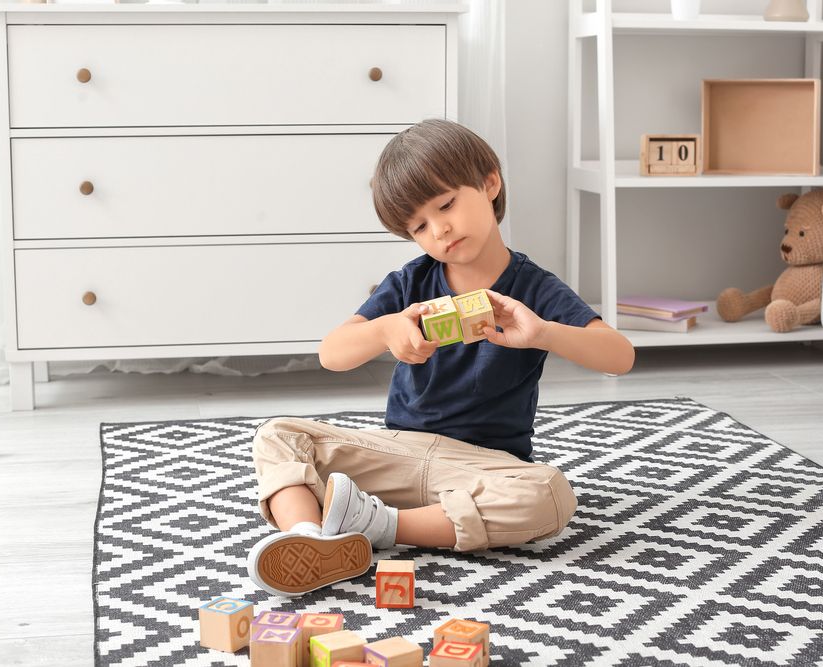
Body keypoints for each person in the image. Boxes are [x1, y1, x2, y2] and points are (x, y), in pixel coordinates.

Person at [247, 118, 635, 597]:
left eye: (446, 204)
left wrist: (545, 333)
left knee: (550, 494)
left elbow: (619, 356)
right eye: (419, 227)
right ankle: (305, 539)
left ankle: (377, 525)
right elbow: (332, 354)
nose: (440, 230)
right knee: (279, 435)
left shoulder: (534, 289)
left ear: (490, 183)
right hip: (398, 453)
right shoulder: (410, 283)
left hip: (481, 467)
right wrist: (386, 328)